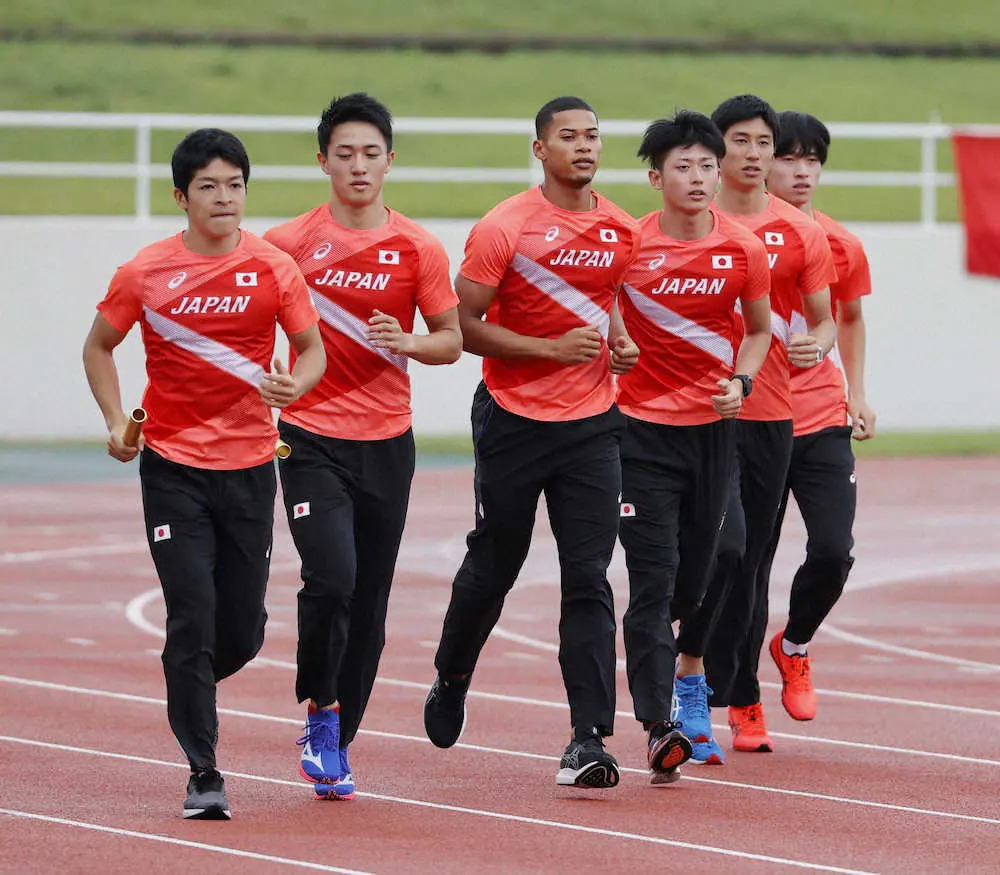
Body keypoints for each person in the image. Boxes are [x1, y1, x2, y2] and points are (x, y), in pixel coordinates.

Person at [82, 128, 325, 819]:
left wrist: (294, 388)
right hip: (172, 468)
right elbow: (99, 346)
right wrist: (113, 419)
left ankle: (188, 676)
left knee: (239, 632)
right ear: (181, 196)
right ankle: (204, 772)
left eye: (235, 184)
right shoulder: (146, 271)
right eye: (210, 186)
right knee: (191, 613)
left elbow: (310, 351)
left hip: (250, 465)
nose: (225, 197)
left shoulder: (275, 267)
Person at [422, 96, 641, 789]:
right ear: (539, 148)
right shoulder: (504, 227)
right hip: (512, 420)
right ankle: (452, 674)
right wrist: (549, 350)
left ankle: (588, 738)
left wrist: (621, 339)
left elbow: (607, 298)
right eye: (567, 136)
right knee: (497, 564)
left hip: (593, 426)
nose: (583, 146)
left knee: (589, 576)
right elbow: (462, 328)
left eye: (592, 136)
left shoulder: (621, 228)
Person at [263, 93, 462, 800]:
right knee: (332, 577)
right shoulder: (285, 245)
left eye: (370, 153)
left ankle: (338, 739)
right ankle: (319, 712)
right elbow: (252, 325)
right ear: (323, 160)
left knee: (370, 605)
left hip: (387, 440)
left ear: (389, 160)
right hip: (310, 436)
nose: (357, 165)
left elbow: (451, 338)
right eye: (343, 153)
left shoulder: (417, 247)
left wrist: (409, 339)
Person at [671, 95, 837, 762]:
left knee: (752, 563)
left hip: (770, 413)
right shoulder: (684, 226)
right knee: (724, 550)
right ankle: (687, 676)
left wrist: (817, 345)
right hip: (700, 415)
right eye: (739, 141)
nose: (753, 154)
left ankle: (736, 695)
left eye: (763, 142)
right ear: (718, 149)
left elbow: (825, 318)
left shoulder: (800, 233)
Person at [616, 111, 773, 784]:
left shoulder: (743, 248)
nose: (700, 176)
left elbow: (759, 330)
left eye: (708, 165)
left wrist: (741, 379)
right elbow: (599, 309)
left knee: (729, 552)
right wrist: (616, 343)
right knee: (652, 583)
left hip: (714, 432)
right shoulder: (627, 245)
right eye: (684, 166)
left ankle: (690, 667)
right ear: (656, 177)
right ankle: (661, 725)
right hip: (640, 433)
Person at [759, 110, 876, 721]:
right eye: (788, 157)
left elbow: (850, 318)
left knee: (833, 549)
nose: (801, 171)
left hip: (821, 413)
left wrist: (857, 393)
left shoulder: (841, 243)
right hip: (754, 419)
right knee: (746, 559)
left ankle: (794, 644)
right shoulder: (734, 236)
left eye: (812, 159)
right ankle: (739, 696)